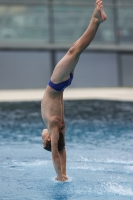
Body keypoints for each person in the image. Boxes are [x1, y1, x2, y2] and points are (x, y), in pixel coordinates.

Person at [41, 0, 107, 182]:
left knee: (76, 49)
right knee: (74, 50)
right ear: (49, 140)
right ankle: (95, 20)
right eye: (43, 140)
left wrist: (64, 172)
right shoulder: (54, 128)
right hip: (56, 84)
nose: (42, 137)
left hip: (62, 84)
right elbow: (56, 154)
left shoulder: (60, 130)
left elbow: (62, 150)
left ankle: (95, 21)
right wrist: (58, 176)